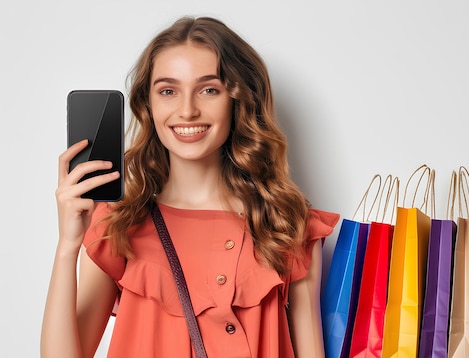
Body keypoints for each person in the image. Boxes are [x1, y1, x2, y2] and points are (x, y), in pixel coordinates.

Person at [41, 16, 339, 357]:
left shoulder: (287, 226)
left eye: (209, 89)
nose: (187, 110)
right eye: (168, 91)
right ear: (148, 105)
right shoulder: (115, 226)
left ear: (238, 99)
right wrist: (67, 246)